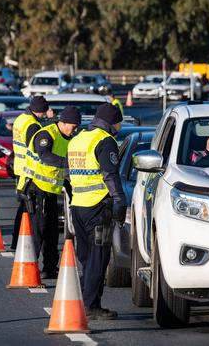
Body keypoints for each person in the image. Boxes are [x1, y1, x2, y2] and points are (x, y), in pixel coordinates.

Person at [67, 103, 126, 320]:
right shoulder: (105, 140)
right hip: (98, 207)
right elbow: (110, 174)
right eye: (118, 121)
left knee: (86, 257)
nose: (119, 125)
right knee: (98, 258)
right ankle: (91, 306)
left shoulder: (77, 139)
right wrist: (120, 200)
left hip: (78, 206)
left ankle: (85, 300)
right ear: (111, 121)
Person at [25, 105, 81, 279]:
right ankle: (29, 268)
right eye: (73, 126)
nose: (76, 130)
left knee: (51, 231)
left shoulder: (70, 138)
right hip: (37, 188)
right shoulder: (46, 134)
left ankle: (49, 267)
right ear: (63, 123)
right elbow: (45, 156)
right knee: (38, 230)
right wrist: (67, 163)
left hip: (52, 190)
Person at [10, 96, 50, 249]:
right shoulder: (33, 125)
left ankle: (16, 241)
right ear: (40, 110)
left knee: (23, 209)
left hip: (20, 167)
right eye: (44, 112)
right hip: (29, 171)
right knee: (29, 210)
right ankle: (23, 243)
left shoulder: (21, 118)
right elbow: (35, 149)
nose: (45, 115)